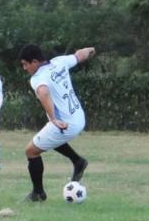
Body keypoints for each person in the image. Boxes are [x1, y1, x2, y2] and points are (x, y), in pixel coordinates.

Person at [19, 44, 95, 202]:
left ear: (34, 61)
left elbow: (43, 92)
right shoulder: (59, 61)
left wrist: (53, 119)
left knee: (31, 151)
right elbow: (80, 54)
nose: (25, 68)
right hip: (78, 116)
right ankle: (78, 161)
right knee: (49, 139)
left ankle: (38, 193)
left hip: (65, 124)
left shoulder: (37, 78)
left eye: (25, 64)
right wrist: (90, 50)